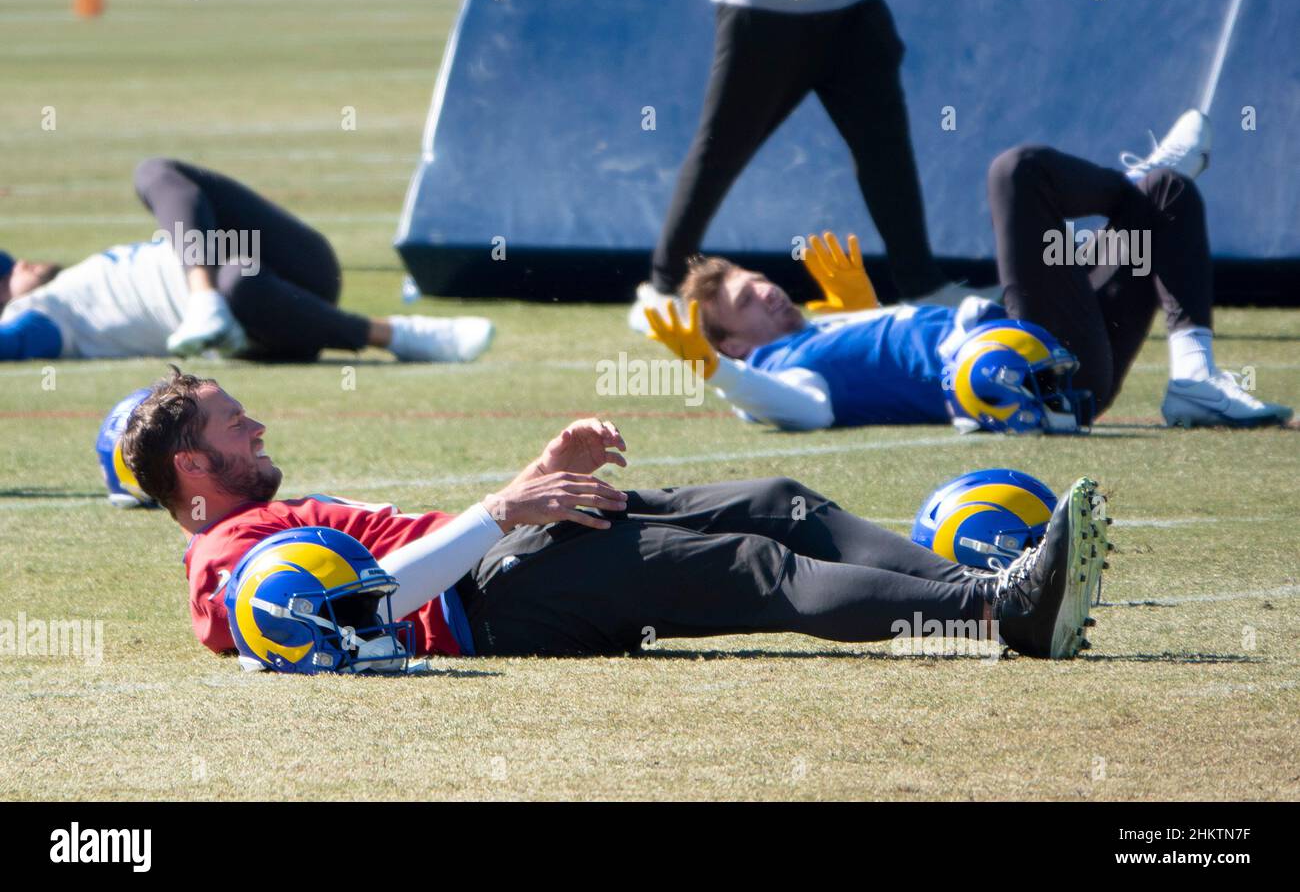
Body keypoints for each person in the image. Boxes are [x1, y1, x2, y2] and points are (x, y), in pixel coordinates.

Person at [119, 367, 1110, 662]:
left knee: (780, 502)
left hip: (505, 557)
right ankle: (996, 617)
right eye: (233, 424)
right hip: (494, 606)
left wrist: (536, 478)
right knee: (750, 571)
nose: (257, 426)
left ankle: (998, 589)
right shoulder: (224, 563)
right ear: (194, 464)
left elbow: (406, 552)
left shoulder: (273, 512)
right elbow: (356, 615)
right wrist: (505, 509)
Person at [643, 126, 1292, 431]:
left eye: (759, 280)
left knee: (1168, 195)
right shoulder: (783, 371)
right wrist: (715, 373)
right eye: (747, 300)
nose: (767, 288)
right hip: (1038, 369)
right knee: (1016, 171)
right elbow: (802, 409)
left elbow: (890, 352)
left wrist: (865, 312)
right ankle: (1126, 183)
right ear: (730, 344)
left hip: (1062, 356)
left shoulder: (819, 331)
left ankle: (1194, 378)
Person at [628, 0, 986, 332]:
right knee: (720, 152)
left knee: (885, 150)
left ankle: (923, 287)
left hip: (855, 0)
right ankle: (664, 292)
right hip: (763, 3)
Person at [0, 158, 493, 363]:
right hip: (263, 321)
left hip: (290, 272)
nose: (19, 264)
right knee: (239, 284)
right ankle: (398, 335)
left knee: (155, 171)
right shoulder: (39, 315)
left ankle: (203, 296)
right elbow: (12, 343)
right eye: (4, 274)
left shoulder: (78, 274)